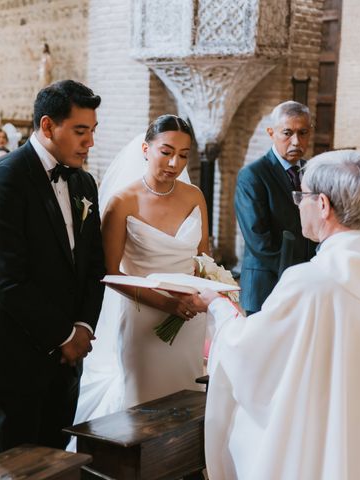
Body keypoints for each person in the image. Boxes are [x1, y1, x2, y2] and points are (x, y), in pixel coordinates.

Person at [198, 150, 360, 479]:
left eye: (302, 196)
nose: (298, 204)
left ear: (323, 205)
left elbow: (252, 358)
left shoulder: (311, 283)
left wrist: (218, 308)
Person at [0, 80, 106, 454]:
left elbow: (94, 264)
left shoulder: (84, 183)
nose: (89, 142)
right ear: (47, 126)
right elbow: (7, 280)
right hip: (15, 353)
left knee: (58, 457)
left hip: (69, 356)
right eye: (80, 131)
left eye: (92, 131)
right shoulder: (2, 180)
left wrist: (84, 327)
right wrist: (64, 335)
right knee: (17, 463)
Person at [74, 115, 210, 426]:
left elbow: (204, 258)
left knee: (185, 397)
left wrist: (200, 294)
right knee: (143, 406)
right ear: (146, 149)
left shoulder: (195, 196)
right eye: (167, 151)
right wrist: (167, 303)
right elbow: (110, 273)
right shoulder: (123, 202)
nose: (175, 162)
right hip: (142, 317)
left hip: (189, 316)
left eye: (184, 155)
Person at [235, 100, 318, 314]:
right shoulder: (253, 175)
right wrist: (293, 277)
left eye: (303, 133)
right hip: (266, 283)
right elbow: (258, 240)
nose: (296, 141)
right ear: (271, 133)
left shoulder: (312, 171)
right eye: (287, 133)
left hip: (305, 283)